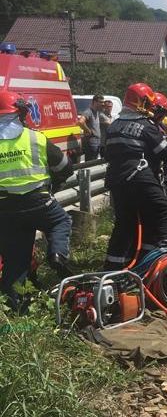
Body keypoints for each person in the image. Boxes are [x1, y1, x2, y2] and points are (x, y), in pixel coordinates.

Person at [0, 92, 73, 308]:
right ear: (20, 113)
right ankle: (57, 254)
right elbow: (64, 167)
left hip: (5, 209)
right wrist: (55, 184)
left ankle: (15, 311)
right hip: (39, 203)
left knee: (15, 261)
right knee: (61, 222)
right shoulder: (35, 137)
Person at [102, 83, 167, 270]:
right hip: (139, 176)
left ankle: (113, 270)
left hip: (116, 180)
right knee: (164, 213)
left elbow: (106, 152)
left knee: (125, 224)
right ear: (142, 102)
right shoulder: (146, 126)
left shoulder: (114, 126)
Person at [79, 94, 107, 161]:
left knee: (94, 163)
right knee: (90, 163)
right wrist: (88, 130)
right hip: (91, 142)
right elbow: (80, 122)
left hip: (97, 142)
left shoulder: (97, 112)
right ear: (94, 102)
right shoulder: (89, 112)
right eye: (101, 102)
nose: (102, 104)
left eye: (103, 102)